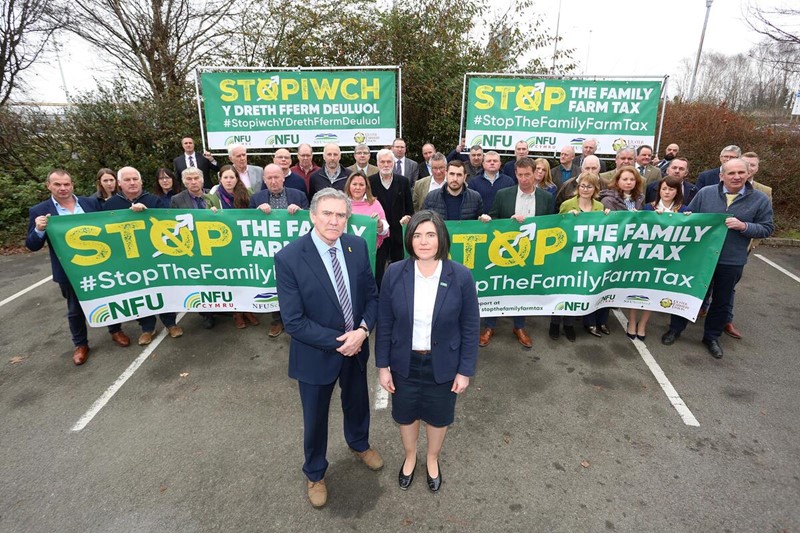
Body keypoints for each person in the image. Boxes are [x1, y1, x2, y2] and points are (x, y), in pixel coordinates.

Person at [274, 188, 382, 509]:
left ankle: (359, 444)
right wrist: (343, 341)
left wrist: (362, 331)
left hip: (357, 345)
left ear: (347, 218)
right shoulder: (290, 258)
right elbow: (293, 321)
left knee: (357, 402)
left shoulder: (357, 247)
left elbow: (372, 297)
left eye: (340, 215)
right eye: (328, 214)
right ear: (312, 215)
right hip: (316, 355)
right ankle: (315, 473)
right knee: (316, 418)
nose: (334, 221)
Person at [376, 210, 479, 493]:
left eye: (431, 235)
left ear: (441, 239)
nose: (423, 241)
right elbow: (385, 322)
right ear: (410, 239)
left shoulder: (460, 276)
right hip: (404, 361)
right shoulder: (394, 273)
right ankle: (410, 456)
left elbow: (470, 326)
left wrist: (465, 370)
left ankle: (432, 459)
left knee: (438, 416)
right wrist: (382, 366)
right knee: (406, 414)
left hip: (444, 363)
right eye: (418, 235)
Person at [661, 159, 773, 359]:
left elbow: (767, 228)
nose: (736, 176)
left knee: (721, 300)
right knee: (688, 292)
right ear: (722, 176)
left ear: (748, 174)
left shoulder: (760, 199)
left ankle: (711, 337)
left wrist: (744, 226)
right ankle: (675, 329)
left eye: (741, 172)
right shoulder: (706, 193)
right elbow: (691, 217)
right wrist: (686, 217)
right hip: (700, 257)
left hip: (731, 259)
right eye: (731, 173)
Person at [26, 169, 131, 366]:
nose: (63, 188)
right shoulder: (39, 210)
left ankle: (115, 330)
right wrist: (39, 229)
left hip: (100, 264)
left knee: (109, 298)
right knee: (75, 309)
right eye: (57, 184)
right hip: (69, 270)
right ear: (48, 186)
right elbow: (32, 245)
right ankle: (80, 344)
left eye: (66, 184)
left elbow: (109, 225)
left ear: (72, 184)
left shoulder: (90, 203)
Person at [105, 167, 183, 345]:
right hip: (129, 258)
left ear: (141, 181)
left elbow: (167, 223)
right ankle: (147, 328)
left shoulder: (153, 200)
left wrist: (148, 212)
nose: (132, 183)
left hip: (155, 255)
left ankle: (171, 323)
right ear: (119, 183)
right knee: (141, 292)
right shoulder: (110, 205)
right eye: (127, 180)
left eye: (135, 179)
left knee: (163, 289)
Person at [481, 157, 554, 349]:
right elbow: (494, 217)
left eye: (527, 175)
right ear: (515, 174)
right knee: (497, 285)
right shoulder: (503, 194)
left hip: (532, 254)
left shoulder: (546, 198)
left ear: (536, 173)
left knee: (521, 288)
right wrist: (497, 221)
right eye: (520, 175)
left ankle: (519, 326)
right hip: (504, 253)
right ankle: (489, 326)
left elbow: (551, 226)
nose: (524, 179)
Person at [251, 163, 309, 337]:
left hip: (296, 251)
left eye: (277, 177)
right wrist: (256, 213)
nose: (274, 181)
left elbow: (311, 217)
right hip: (270, 252)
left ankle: (300, 319)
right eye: (269, 178)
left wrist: (301, 211)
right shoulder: (256, 199)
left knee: (299, 285)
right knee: (274, 285)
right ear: (264, 180)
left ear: (283, 177)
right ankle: (277, 320)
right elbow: (246, 224)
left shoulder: (298, 196)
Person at [554, 172, 607, 341]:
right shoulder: (568, 204)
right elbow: (557, 226)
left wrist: (608, 218)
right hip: (566, 255)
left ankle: (569, 324)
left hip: (586, 258)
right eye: (582, 186)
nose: (585, 189)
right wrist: (568, 219)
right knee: (561, 289)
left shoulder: (599, 207)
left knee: (575, 291)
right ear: (578, 188)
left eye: (589, 186)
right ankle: (554, 323)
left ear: (595, 189)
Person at [170, 167, 223, 330]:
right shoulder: (177, 200)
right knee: (199, 279)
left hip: (213, 245)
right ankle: (206, 314)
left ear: (202, 180)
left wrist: (216, 214)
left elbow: (223, 219)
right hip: (192, 247)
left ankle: (219, 307)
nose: (193, 182)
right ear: (185, 182)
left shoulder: (213, 196)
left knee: (215, 276)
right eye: (189, 179)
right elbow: (173, 224)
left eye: (196, 178)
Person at [600, 166, 646, 339]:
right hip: (614, 248)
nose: (628, 182)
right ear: (617, 181)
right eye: (625, 179)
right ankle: (602, 318)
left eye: (632, 179)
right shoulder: (608, 200)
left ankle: (631, 319)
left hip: (632, 248)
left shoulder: (640, 198)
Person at [369, 148, 413, 287]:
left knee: (399, 269)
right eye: (382, 162)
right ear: (377, 163)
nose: (386, 165)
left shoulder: (403, 181)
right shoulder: (369, 182)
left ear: (393, 163)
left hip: (398, 234)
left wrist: (407, 217)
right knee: (378, 270)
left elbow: (410, 208)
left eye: (389, 161)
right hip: (378, 234)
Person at [418, 160, 486, 221]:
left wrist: (484, 220)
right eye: (452, 174)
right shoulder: (431, 197)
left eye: (459, 175)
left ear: (465, 177)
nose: (455, 179)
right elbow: (423, 221)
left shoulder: (475, 197)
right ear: (446, 174)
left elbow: (479, 224)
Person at [345, 172, 389, 250]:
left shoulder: (374, 204)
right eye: (354, 184)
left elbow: (385, 232)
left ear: (366, 187)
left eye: (361, 185)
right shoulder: (342, 203)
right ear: (349, 186)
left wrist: (379, 224)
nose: (358, 187)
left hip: (369, 251)